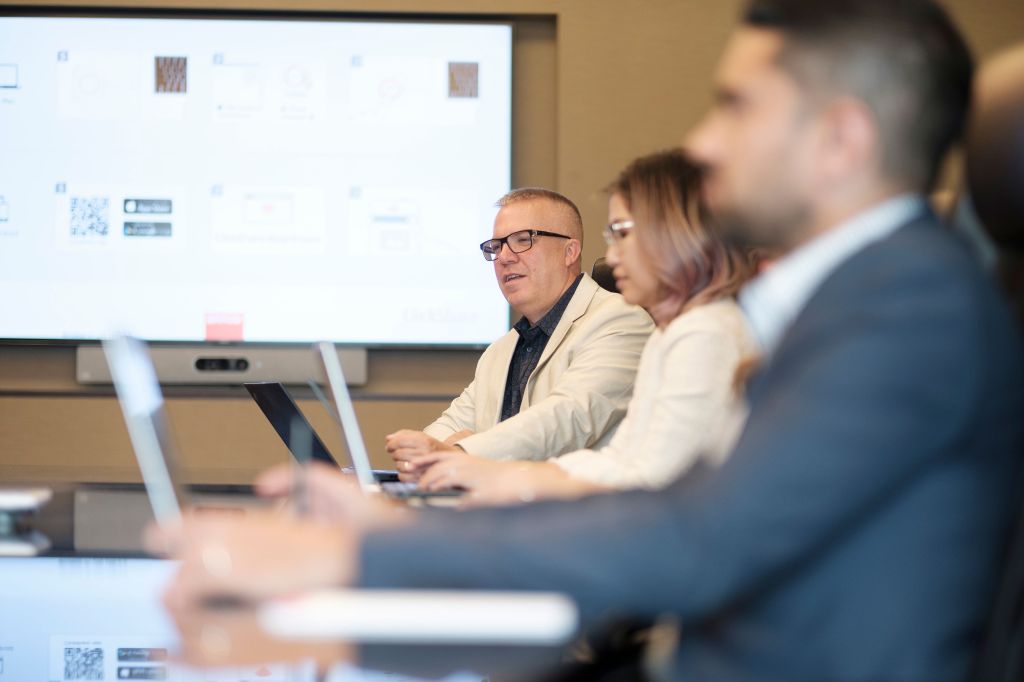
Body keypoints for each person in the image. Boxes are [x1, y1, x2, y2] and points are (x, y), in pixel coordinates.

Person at [153, 1, 1024, 680]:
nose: (704, 144)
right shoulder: (873, 296)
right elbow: (683, 514)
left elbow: (696, 538)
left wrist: (363, 551)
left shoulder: (907, 311)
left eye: (735, 107)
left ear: (841, 139)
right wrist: (395, 539)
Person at [408, 149, 756, 506]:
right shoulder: (675, 331)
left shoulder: (696, 331)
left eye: (622, 234)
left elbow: (634, 468)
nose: (613, 256)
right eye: (497, 246)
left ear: (676, 234)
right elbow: (622, 460)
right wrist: (431, 453)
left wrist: (478, 462)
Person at [389, 188, 653, 477]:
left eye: (522, 241)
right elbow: (450, 426)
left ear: (570, 251)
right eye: (496, 246)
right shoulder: (501, 350)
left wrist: (460, 454)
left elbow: (568, 417)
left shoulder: (619, 320)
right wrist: (422, 454)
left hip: (589, 514)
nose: (504, 257)